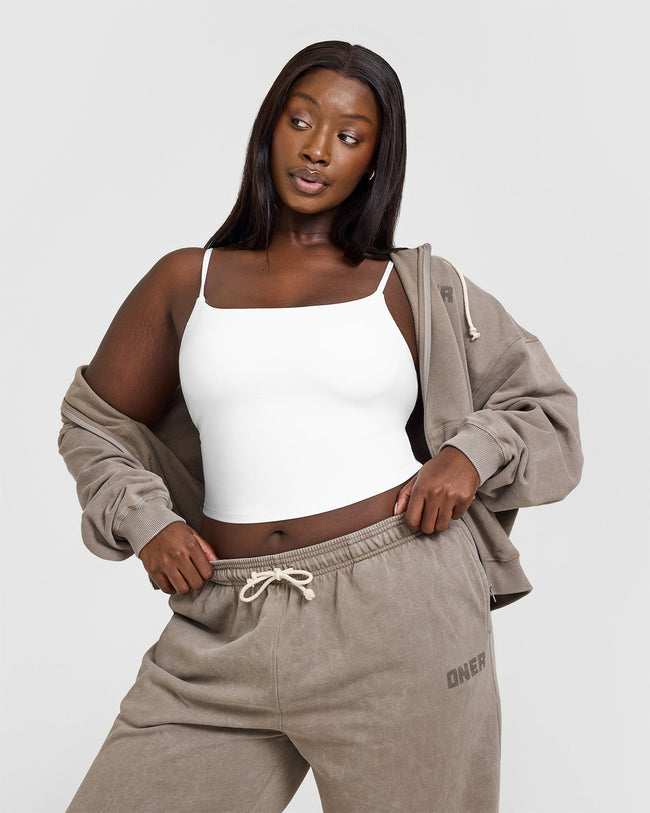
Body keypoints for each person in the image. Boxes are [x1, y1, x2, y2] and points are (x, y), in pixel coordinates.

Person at [58, 40, 583, 813]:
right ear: (269, 129)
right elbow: (93, 424)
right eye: (300, 121)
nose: (316, 149)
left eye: (348, 134)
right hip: (220, 623)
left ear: (375, 160)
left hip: (400, 615)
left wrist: (470, 455)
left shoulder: (414, 285)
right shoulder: (185, 279)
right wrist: (146, 520)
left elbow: (544, 407)